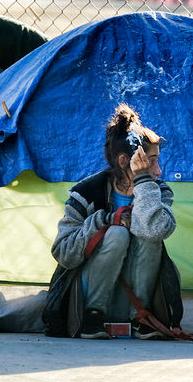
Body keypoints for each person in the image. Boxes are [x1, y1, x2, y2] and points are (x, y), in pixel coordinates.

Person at [42, 104, 182, 339]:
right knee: (117, 234)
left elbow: (156, 229)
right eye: (151, 162)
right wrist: (103, 221)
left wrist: (144, 181)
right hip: (84, 303)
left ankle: (141, 319)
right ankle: (92, 316)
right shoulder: (87, 192)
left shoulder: (157, 189)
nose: (158, 171)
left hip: (133, 302)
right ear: (124, 161)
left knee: (149, 237)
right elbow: (63, 253)